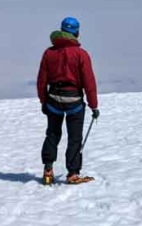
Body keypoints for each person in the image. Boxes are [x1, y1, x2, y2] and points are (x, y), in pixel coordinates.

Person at [37, 17, 99, 185]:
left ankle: (48, 170)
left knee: (52, 134)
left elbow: (42, 80)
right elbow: (89, 82)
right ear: (76, 33)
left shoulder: (49, 53)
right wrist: (94, 106)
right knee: (74, 138)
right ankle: (72, 174)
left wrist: (44, 101)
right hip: (74, 101)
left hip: (53, 100)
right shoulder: (81, 54)